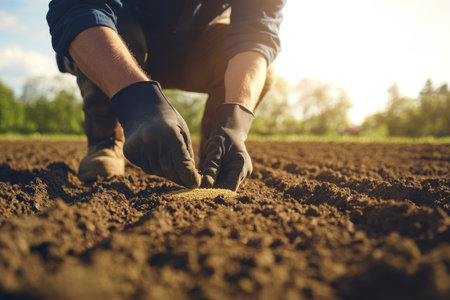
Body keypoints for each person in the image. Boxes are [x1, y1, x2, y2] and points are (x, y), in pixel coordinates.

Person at [46, 0, 286, 191]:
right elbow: (79, 8)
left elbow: (256, 33)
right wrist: (137, 102)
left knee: (261, 68)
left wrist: (236, 121)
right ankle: (105, 142)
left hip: (192, 42)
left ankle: (216, 155)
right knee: (121, 31)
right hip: (121, 38)